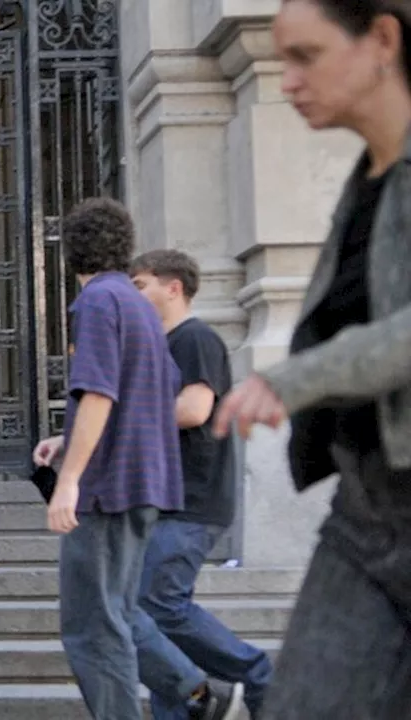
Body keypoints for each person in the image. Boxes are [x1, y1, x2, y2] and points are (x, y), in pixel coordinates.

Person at [213, 1, 411, 717]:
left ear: (382, 39)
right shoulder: (367, 180)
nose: (287, 79)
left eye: (307, 55)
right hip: (366, 512)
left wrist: (294, 379)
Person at [32, 198, 243, 720]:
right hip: (146, 485)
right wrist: (68, 439)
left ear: (70, 253)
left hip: (110, 488)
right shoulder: (139, 309)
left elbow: (101, 393)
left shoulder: (99, 303)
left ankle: (195, 697)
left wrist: (69, 481)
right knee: (120, 618)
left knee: (92, 630)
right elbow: (144, 398)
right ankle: (201, 696)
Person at [131, 249, 275, 718]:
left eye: (141, 285)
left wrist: (121, 419)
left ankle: (256, 674)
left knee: (158, 606)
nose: (134, 294)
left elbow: (194, 409)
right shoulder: (161, 344)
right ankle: (182, 709)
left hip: (192, 500)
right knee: (157, 618)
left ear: (173, 288)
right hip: (165, 500)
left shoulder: (195, 339)